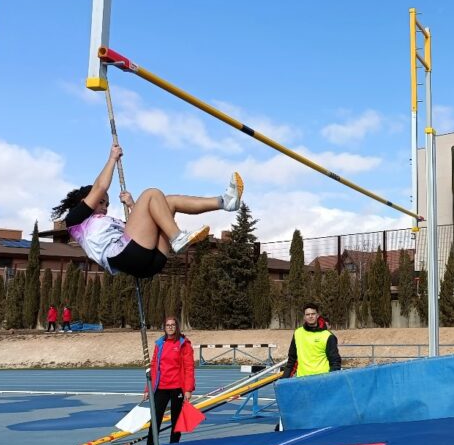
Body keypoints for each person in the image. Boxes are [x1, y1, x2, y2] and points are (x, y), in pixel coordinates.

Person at [51, 145, 243, 279]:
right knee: (151, 194)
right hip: (126, 256)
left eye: (107, 203)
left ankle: (225, 201)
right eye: (101, 202)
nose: (105, 206)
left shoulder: (107, 224)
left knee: (169, 202)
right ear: (83, 201)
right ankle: (177, 237)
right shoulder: (76, 221)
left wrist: (133, 206)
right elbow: (100, 186)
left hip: (149, 264)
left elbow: (146, 229)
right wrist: (112, 158)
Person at [145, 316, 196, 445]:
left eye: (173, 325)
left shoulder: (183, 344)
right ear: (165, 327)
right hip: (161, 387)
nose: (170, 327)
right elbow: (154, 366)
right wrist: (148, 388)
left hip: (177, 388)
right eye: (168, 325)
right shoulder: (160, 343)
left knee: (176, 420)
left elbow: (189, 368)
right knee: (155, 419)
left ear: (177, 327)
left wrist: (188, 389)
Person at [283, 304, 342, 378]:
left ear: (317, 315)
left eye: (313, 314)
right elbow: (292, 360)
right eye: (307, 314)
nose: (310, 316)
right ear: (304, 317)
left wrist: (330, 381)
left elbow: (335, 362)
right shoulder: (297, 333)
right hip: (302, 381)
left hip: (321, 380)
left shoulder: (328, 336)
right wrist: (284, 379)